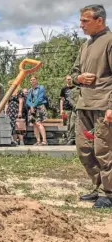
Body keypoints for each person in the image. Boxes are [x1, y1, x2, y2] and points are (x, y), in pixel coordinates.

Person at [71, 4, 112, 208]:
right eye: (81, 21)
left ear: (99, 20)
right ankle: (97, 188)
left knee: (104, 149)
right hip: (84, 104)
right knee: (84, 149)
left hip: (104, 104)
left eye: (85, 21)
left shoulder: (110, 41)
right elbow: (71, 76)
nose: (81, 25)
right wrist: (78, 78)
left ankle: (109, 192)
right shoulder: (85, 45)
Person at [26, 76, 48, 146]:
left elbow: (40, 98)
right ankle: (38, 141)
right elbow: (28, 100)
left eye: (34, 79)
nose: (32, 81)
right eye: (31, 80)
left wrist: (33, 106)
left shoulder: (41, 88)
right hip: (32, 108)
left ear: (37, 80)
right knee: (34, 124)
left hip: (39, 107)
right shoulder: (30, 90)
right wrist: (31, 106)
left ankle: (44, 141)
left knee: (39, 123)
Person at [5, 80, 27, 145]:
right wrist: (5, 111)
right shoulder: (9, 92)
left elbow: (21, 102)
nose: (10, 85)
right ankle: (15, 141)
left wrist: (20, 112)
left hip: (17, 110)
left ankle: (21, 141)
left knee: (19, 126)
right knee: (12, 126)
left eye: (11, 84)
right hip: (10, 111)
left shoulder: (19, 91)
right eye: (10, 84)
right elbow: (6, 103)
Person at [59, 75, 77, 145]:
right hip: (66, 109)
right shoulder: (64, 88)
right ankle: (66, 137)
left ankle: (71, 138)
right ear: (66, 80)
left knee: (72, 123)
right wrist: (61, 109)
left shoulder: (75, 87)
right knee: (66, 123)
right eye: (68, 79)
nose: (69, 80)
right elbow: (61, 100)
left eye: (70, 79)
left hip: (74, 108)